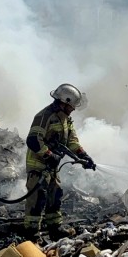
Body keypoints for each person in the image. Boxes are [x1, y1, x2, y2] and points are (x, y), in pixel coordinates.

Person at [24, 83, 96, 234]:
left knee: (55, 195)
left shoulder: (65, 119)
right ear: (64, 102)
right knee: (37, 197)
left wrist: (83, 155)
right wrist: (48, 155)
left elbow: (72, 142)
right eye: (71, 106)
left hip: (52, 166)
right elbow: (33, 140)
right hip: (38, 165)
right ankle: (31, 233)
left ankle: (54, 228)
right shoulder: (44, 116)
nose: (73, 109)